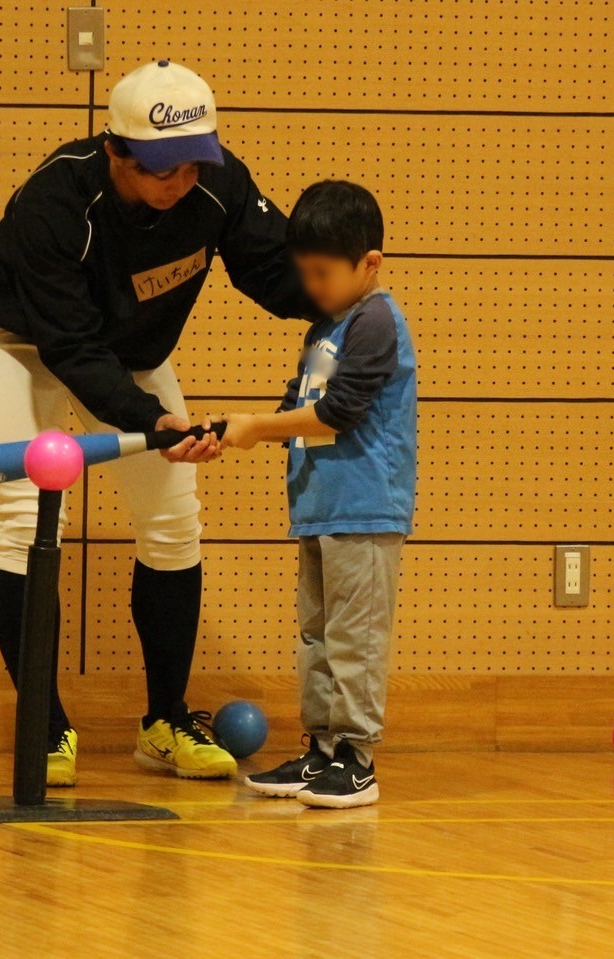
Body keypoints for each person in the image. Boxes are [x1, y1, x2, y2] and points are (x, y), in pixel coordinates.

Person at [0, 60, 315, 786]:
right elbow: (72, 347)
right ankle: (44, 726)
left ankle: (164, 720)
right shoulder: (56, 200)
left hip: (129, 349)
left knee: (175, 520)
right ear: (116, 152)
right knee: (26, 514)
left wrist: (342, 305)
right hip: (19, 341)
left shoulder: (218, 185)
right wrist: (153, 420)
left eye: (192, 162)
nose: (179, 179)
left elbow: (271, 272)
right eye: (159, 167)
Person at [218, 181, 416, 809]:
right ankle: (322, 750)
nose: (313, 286)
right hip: (318, 511)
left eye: (324, 273)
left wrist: (257, 428)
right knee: (318, 637)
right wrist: (222, 432)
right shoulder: (324, 327)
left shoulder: (376, 320)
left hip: (364, 511)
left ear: (370, 263)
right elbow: (294, 409)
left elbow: (337, 413)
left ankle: (358, 760)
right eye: (304, 273)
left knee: (353, 638)